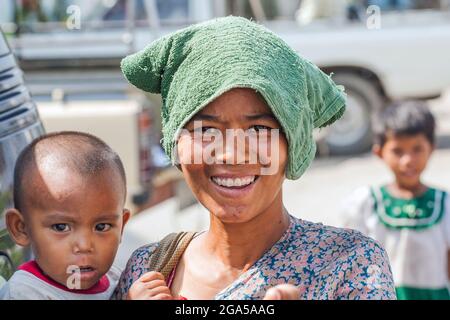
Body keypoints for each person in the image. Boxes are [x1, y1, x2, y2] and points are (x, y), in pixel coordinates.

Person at [113, 16, 396, 300]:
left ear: (292, 144)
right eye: (207, 130)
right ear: (176, 142)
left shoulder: (351, 266)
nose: (233, 155)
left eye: (259, 129)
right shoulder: (148, 271)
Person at [0, 131, 131, 299]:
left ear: (121, 227)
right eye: (61, 227)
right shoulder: (24, 292)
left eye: (101, 226)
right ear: (22, 229)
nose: (84, 246)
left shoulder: (118, 278)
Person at [340, 101, 450, 299]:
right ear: (379, 152)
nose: (408, 160)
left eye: (417, 149)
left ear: (431, 148)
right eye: (398, 151)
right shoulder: (365, 203)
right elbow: (353, 263)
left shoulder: (446, 204)